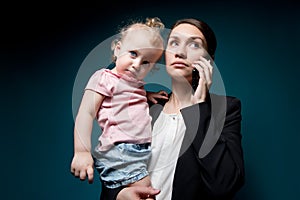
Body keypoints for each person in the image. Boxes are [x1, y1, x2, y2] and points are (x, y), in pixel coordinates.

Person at [101, 18, 245, 200]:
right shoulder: (143, 106)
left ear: (209, 60)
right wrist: (120, 195)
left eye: (194, 45)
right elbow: (113, 166)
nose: (180, 53)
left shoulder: (225, 110)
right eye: (174, 43)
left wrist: (197, 108)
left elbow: (223, 186)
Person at [70, 17, 168, 197]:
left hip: (137, 151)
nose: (137, 64)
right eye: (133, 54)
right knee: (147, 192)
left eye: (146, 62)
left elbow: (125, 100)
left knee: (141, 194)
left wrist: (146, 96)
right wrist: (82, 151)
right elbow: (86, 112)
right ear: (117, 49)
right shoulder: (104, 78)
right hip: (120, 150)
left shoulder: (135, 85)